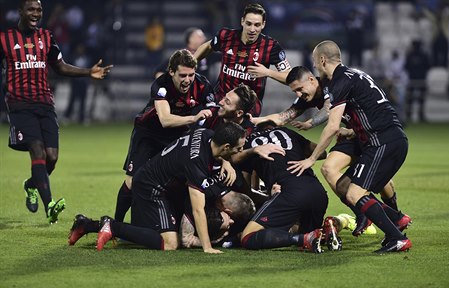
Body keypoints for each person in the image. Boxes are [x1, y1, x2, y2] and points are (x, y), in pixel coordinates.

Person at [287, 40, 412, 253]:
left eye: (316, 62)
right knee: (347, 186)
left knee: (354, 193)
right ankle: (396, 220)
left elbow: (332, 125)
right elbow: (367, 110)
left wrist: (311, 158)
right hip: (384, 139)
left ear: (322, 60)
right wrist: (352, 131)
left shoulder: (339, 81)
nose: (316, 66)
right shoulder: (355, 74)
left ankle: (396, 237)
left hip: (382, 142)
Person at [0, 0, 112, 224]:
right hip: (20, 105)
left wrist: (88, 72)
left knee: (52, 157)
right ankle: (50, 205)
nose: (35, 13)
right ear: (20, 11)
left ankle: (31, 185)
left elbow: (60, 66)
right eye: (31, 9)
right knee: (37, 151)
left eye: (39, 10)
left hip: (45, 103)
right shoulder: (5, 39)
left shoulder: (46, 37)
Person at [69, 122, 247, 254]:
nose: (240, 151)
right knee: (169, 243)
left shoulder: (206, 134)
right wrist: (207, 247)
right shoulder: (196, 162)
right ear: (226, 147)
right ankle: (111, 226)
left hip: (159, 184)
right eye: (238, 148)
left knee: (150, 232)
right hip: (152, 188)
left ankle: (87, 224)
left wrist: (225, 161)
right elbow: (197, 209)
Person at [114, 49, 215, 223]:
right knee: (133, 182)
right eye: (182, 75)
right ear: (171, 72)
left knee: (175, 180)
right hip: (148, 134)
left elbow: (214, 112)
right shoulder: (161, 85)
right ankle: (116, 224)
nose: (187, 80)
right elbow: (165, 120)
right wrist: (193, 118)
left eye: (191, 75)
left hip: (176, 135)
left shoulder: (203, 85)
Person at [238, 121, 329, 253]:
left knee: (248, 237)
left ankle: (303, 238)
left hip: (290, 193)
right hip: (317, 192)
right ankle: (335, 224)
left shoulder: (249, 144)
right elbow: (322, 153)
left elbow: (246, 189)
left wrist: (268, 197)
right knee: (311, 234)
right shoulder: (288, 132)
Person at [194, 3, 292, 116]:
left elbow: (290, 77)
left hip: (248, 107)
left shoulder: (271, 47)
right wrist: (193, 61)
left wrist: (268, 72)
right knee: (206, 130)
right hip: (221, 100)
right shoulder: (226, 36)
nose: (252, 29)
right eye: (249, 24)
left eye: (257, 25)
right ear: (242, 21)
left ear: (263, 25)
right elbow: (209, 46)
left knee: (236, 133)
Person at [404, 40, 430, 123]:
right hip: (420, 79)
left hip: (413, 79)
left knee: (412, 99)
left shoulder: (410, 55)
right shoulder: (423, 55)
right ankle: (420, 115)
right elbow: (428, 66)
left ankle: (410, 115)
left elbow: (406, 67)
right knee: (419, 99)